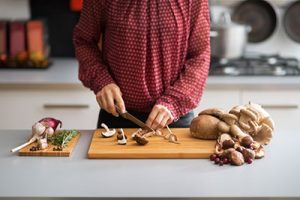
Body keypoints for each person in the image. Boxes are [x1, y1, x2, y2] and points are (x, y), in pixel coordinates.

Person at [73, 0, 210, 130]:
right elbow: (84, 41)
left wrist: (173, 102)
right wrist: (102, 81)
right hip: (118, 115)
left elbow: (200, 54)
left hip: (173, 118)